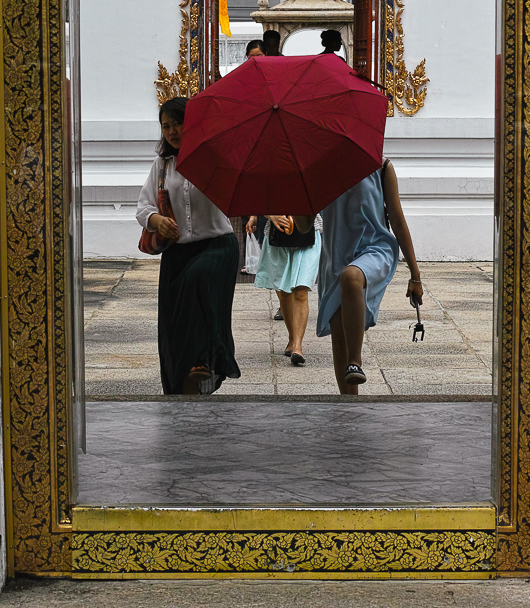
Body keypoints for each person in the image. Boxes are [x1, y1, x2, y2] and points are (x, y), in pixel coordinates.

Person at [136, 98, 240, 396]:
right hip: (178, 254)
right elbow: (143, 207)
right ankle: (183, 386)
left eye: (177, 123)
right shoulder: (163, 165)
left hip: (217, 247)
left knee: (199, 280)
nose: (172, 131)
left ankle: (203, 360)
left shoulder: (214, 158)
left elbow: (233, 193)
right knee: (175, 325)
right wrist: (156, 220)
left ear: (190, 123)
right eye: (165, 126)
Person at [314, 160, 423, 394]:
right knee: (339, 338)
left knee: (351, 277)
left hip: (375, 247)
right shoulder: (319, 170)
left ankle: (356, 360)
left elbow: (397, 219)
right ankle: (350, 409)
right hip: (335, 254)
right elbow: (305, 226)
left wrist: (416, 275)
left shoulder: (382, 167)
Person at [246, 212, 322, 366]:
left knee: (301, 291)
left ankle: (297, 347)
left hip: (309, 232)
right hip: (277, 233)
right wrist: (271, 216)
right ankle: (292, 338)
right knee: (284, 293)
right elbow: (259, 196)